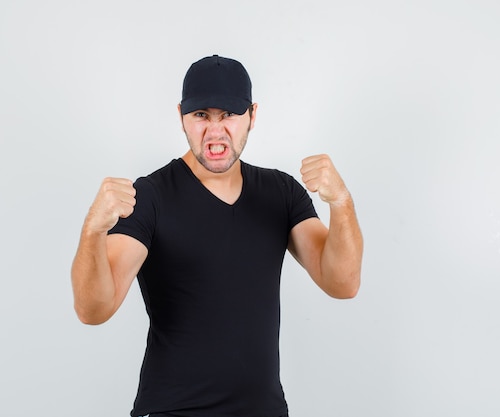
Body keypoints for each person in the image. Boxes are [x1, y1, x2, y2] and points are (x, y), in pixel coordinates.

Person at [71, 54, 363, 417]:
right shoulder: (150, 197)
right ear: (181, 117)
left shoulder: (281, 193)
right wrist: (93, 230)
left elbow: (343, 283)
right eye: (201, 116)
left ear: (252, 116)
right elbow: (93, 309)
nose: (215, 130)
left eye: (229, 114)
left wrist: (342, 203)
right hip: (174, 410)